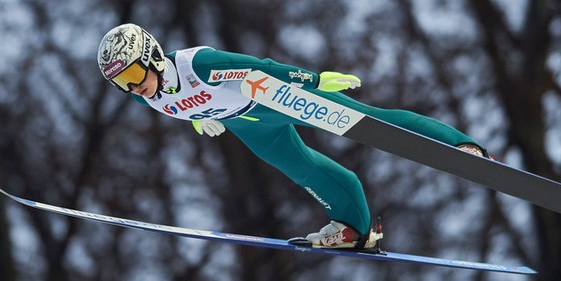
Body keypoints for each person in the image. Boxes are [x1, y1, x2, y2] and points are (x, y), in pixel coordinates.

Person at [97, 23, 488, 251]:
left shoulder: (197, 64)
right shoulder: (151, 98)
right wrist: (198, 118)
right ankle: (354, 228)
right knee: (304, 170)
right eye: (121, 85)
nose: (133, 89)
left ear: (151, 55)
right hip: (247, 125)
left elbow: (261, 67)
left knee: (369, 122)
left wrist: (314, 80)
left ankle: (459, 145)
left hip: (274, 98)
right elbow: (179, 102)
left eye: (133, 76)